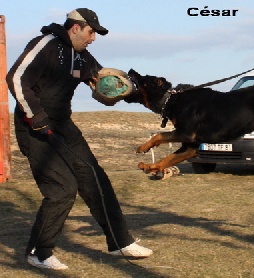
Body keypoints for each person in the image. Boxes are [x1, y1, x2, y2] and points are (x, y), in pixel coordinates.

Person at [6, 8, 153, 270]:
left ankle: (121, 242)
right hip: (35, 127)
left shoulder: (81, 56)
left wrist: (138, 91)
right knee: (62, 189)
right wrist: (35, 115)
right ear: (76, 27)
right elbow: (16, 78)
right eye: (91, 32)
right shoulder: (46, 45)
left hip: (63, 125)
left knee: (95, 177)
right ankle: (38, 253)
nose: (93, 38)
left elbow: (104, 82)